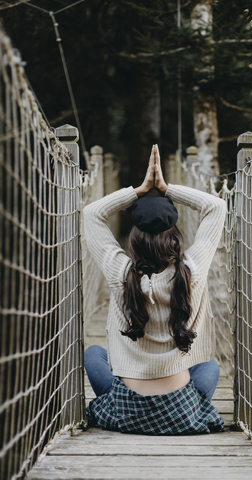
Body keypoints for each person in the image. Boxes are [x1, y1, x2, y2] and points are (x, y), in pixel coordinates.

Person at [83, 144, 227, 435]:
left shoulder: (121, 273)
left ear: (134, 239)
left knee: (93, 353)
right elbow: (217, 207)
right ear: (174, 236)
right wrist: (167, 188)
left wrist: (139, 190)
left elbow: (91, 213)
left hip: (128, 411)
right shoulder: (192, 271)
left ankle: (136, 408)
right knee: (209, 367)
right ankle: (175, 412)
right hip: (181, 410)